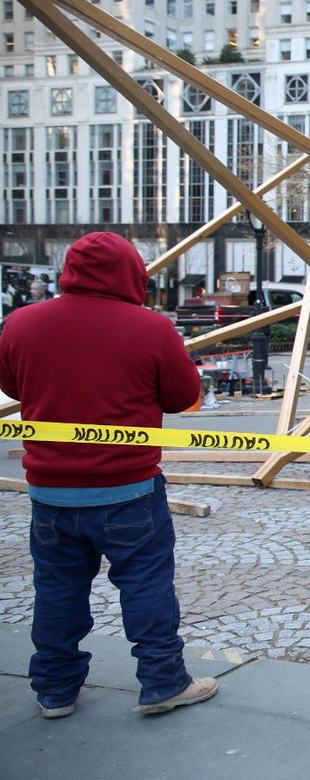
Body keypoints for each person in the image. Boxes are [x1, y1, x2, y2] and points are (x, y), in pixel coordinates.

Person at [0, 232, 218, 718]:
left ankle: (55, 691)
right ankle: (163, 683)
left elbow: (11, 383)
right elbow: (183, 396)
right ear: (131, 274)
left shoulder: (22, 323)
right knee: (145, 585)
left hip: (51, 492)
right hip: (128, 490)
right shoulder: (151, 328)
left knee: (56, 590)